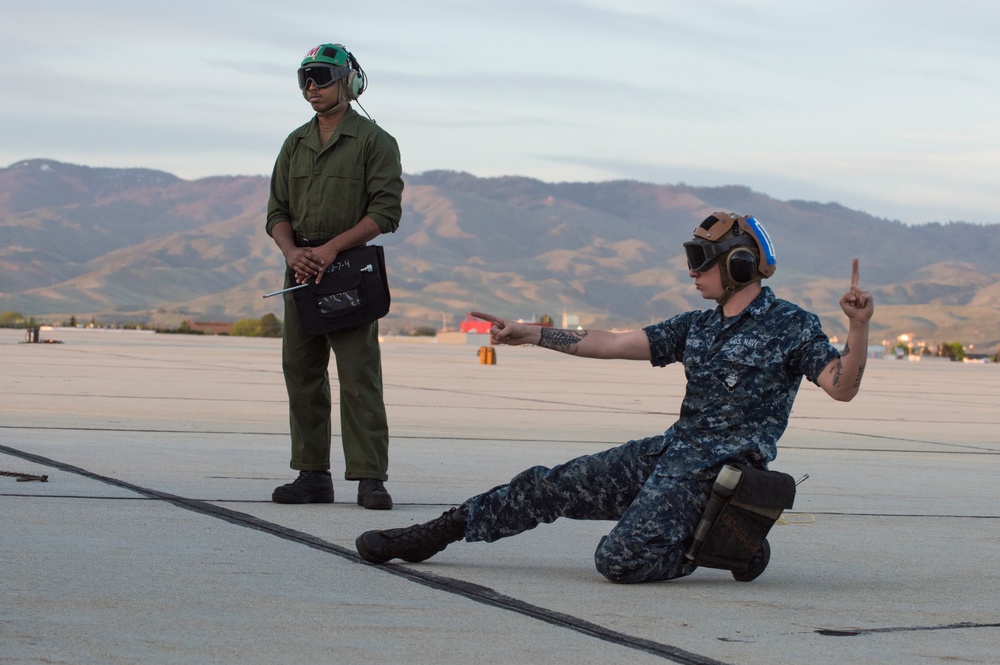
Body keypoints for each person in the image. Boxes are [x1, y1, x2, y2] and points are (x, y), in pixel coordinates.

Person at [356, 212, 874, 581]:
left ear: (739, 265)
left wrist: (859, 328)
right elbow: (608, 342)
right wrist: (531, 333)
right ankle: (434, 534)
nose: (691, 272)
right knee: (549, 485)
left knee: (619, 562)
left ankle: (734, 549)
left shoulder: (790, 326)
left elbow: (841, 387)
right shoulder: (696, 325)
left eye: (700, 260)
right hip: (674, 453)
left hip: (722, 473)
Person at [266, 43, 403, 510]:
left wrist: (330, 250)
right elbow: (277, 212)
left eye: (322, 77)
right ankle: (311, 476)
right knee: (301, 373)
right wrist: (294, 252)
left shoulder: (374, 141)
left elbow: (386, 212)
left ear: (350, 81)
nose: (311, 88)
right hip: (301, 272)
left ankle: (370, 478)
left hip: (349, 271)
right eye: (304, 78)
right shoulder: (295, 143)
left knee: (358, 375)